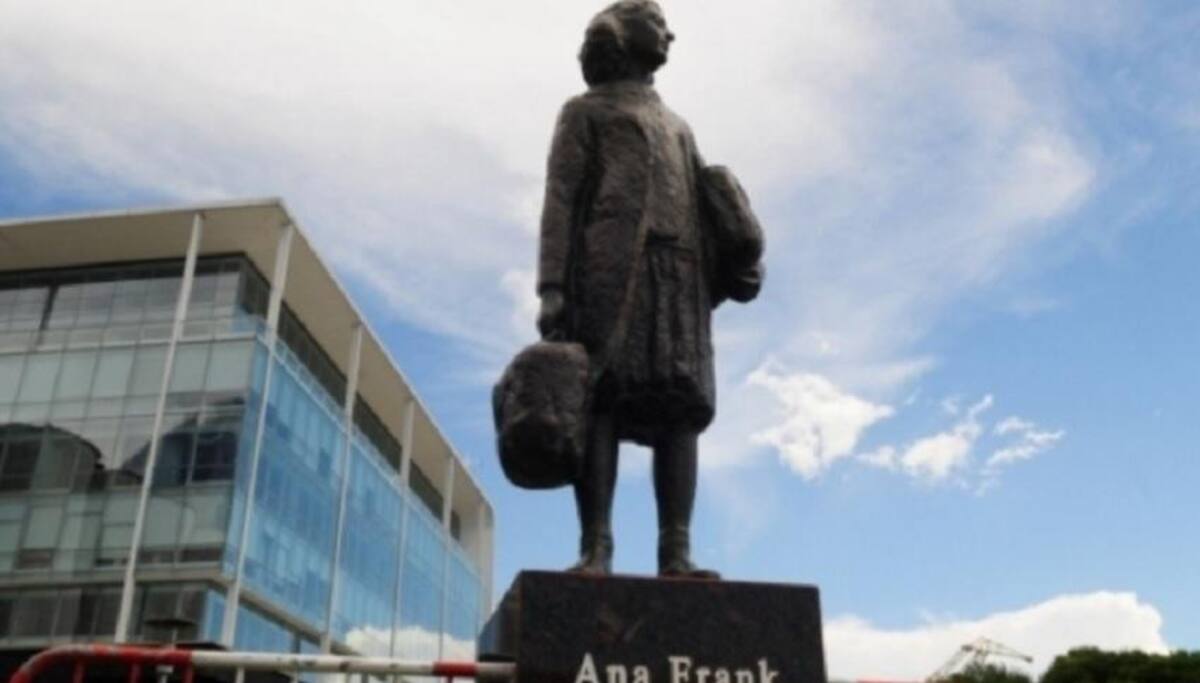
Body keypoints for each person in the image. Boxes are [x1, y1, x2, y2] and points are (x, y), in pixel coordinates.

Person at [536, 0, 760, 578]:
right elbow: (561, 201)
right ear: (623, 34)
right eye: (658, 23)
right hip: (608, 276)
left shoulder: (678, 125)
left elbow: (708, 202)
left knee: (681, 412)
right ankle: (596, 548)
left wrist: (735, 261)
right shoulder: (584, 112)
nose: (670, 34)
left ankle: (676, 552)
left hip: (680, 275)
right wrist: (554, 287)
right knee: (603, 403)